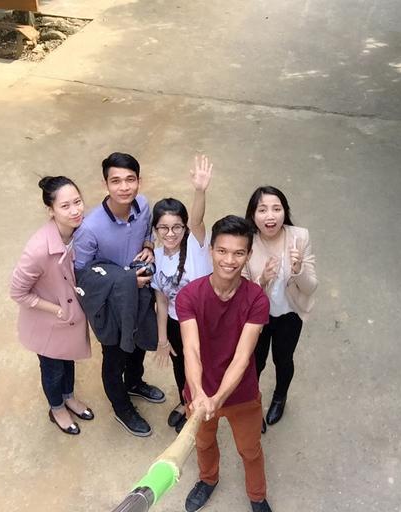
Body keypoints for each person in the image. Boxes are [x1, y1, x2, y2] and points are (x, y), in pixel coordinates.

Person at [177, 215, 273, 512]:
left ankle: (257, 496)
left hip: (241, 394)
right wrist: (199, 394)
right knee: (203, 443)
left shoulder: (256, 299)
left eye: (238, 253)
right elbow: (191, 349)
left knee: (250, 450)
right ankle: (208, 479)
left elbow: (243, 358)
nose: (229, 260)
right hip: (200, 393)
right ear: (211, 251)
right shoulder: (189, 295)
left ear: (249, 255)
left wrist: (217, 399)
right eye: (222, 251)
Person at [73, 152, 164, 437]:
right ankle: (122, 408)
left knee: (138, 344)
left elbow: (147, 230)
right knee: (115, 357)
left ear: (139, 180)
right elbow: (83, 276)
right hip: (111, 304)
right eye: (116, 181)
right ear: (105, 184)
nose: (124, 187)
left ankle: (134, 383)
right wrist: (126, 281)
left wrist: (148, 245)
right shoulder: (89, 228)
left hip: (141, 295)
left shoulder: (144, 205)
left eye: (130, 179)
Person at [10, 176, 94, 436]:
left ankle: (69, 397)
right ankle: (57, 409)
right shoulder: (37, 250)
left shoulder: (80, 233)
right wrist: (56, 309)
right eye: (65, 206)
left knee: (68, 360)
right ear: (51, 210)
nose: (75, 210)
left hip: (69, 318)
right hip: (47, 323)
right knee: (53, 369)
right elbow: (17, 292)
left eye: (77, 202)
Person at [243, 186, 317, 431]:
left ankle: (279, 397)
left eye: (277, 209)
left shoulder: (299, 237)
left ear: (285, 211)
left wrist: (298, 269)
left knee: (283, 359)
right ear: (252, 214)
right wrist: (262, 280)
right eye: (262, 210)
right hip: (259, 317)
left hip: (290, 314)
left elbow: (310, 287)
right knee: (255, 362)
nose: (270, 216)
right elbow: (242, 295)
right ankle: (253, 405)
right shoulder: (247, 241)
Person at [151, 155, 213, 434]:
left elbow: (198, 219)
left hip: (202, 323)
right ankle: (185, 400)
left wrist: (200, 191)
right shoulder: (156, 257)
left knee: (201, 366)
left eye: (177, 226)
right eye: (163, 227)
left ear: (185, 227)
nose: (170, 233)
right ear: (155, 230)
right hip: (177, 323)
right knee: (180, 366)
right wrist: (162, 339)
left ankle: (200, 407)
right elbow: (162, 300)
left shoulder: (196, 243)